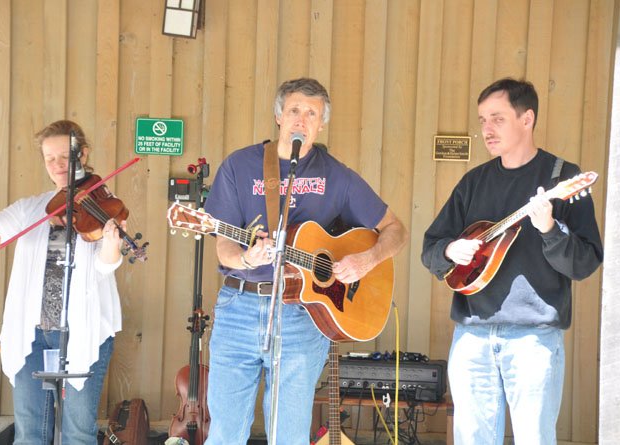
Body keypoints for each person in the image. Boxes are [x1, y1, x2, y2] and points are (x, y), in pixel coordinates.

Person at [202, 77, 408, 444]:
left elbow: (395, 229)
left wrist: (367, 259)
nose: (301, 120)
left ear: (321, 124)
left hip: (301, 317)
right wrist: (248, 259)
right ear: (279, 116)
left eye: (311, 113)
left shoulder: (338, 177)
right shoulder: (240, 166)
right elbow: (223, 247)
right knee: (225, 432)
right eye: (294, 110)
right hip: (239, 307)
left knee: (290, 435)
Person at [421, 78, 603, 444]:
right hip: (472, 335)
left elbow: (585, 262)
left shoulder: (563, 178)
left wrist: (550, 229)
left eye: (497, 118)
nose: (486, 129)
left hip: (534, 339)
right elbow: (431, 247)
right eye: (482, 119)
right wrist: (449, 251)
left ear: (527, 119)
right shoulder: (473, 183)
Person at [0, 120, 126, 444]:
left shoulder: (100, 205)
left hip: (84, 330)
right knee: (30, 434)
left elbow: (106, 267)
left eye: (65, 156)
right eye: (50, 158)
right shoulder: (31, 209)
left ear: (84, 153)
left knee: (78, 433)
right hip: (32, 334)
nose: (58, 166)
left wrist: (111, 242)